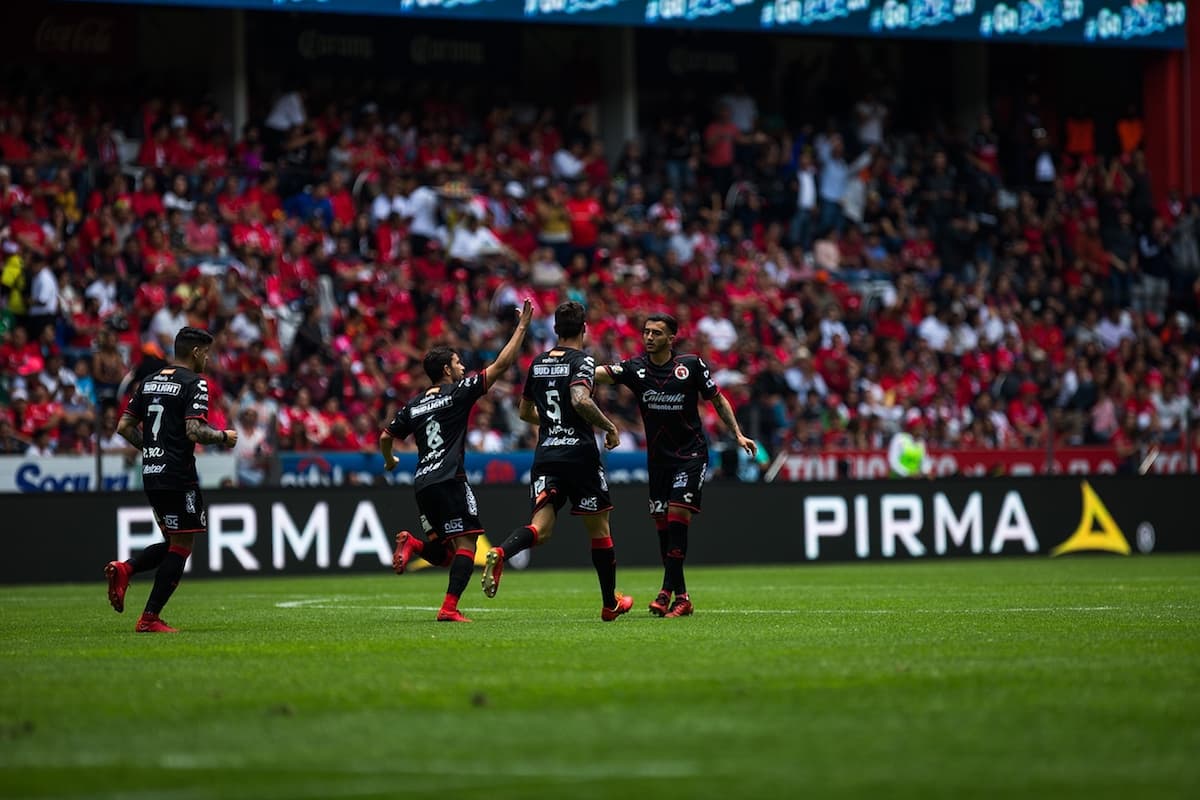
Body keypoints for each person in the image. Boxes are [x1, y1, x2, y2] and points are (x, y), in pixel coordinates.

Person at [479, 301, 634, 622]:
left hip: (546, 453)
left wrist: (552, 423)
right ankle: (609, 603)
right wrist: (609, 426)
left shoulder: (537, 363)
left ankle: (502, 552)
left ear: (555, 330)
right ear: (584, 329)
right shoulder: (583, 361)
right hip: (579, 453)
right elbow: (580, 399)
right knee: (599, 529)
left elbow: (524, 413)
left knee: (542, 528)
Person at [595, 312, 756, 618]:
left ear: (671, 338)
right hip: (658, 461)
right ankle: (682, 597)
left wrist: (737, 433)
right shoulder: (635, 369)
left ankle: (665, 591)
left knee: (677, 514)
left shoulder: (691, 366)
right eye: (646, 332)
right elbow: (600, 373)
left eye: (656, 333)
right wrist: (573, 368)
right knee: (663, 528)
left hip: (691, 454)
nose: (649, 337)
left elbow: (718, 400)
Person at [382, 299, 533, 623]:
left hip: (423, 484)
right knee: (468, 543)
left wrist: (390, 459)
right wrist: (521, 328)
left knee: (443, 553)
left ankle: (412, 543)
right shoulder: (458, 392)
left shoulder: (414, 404)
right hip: (450, 480)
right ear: (447, 371)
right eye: (458, 362)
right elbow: (502, 366)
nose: (463, 366)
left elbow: (385, 436)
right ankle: (449, 608)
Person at [104, 327, 238, 633]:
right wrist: (223, 437)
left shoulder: (149, 382)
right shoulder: (195, 382)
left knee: (173, 541)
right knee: (182, 545)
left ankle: (126, 569)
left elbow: (124, 426)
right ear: (196, 353)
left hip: (151, 474)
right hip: (178, 474)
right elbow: (194, 431)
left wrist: (152, 449)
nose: (208, 359)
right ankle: (149, 618)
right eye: (206, 352)